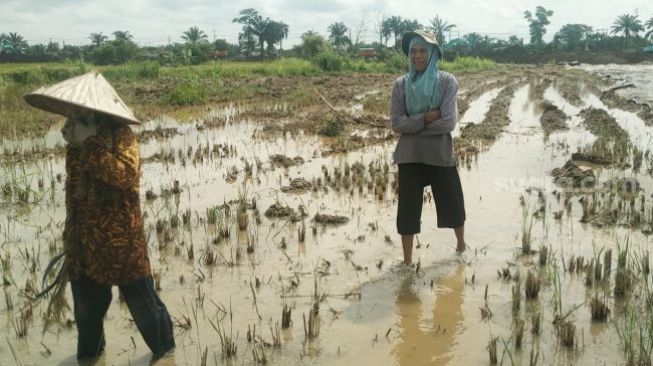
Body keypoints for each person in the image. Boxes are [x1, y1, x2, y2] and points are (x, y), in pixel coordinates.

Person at [25, 71, 175, 360]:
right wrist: (79, 142)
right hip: (83, 243)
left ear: (95, 108)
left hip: (121, 241)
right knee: (86, 312)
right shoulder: (74, 138)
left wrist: (89, 142)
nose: (73, 113)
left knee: (144, 307)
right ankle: (90, 357)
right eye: (71, 108)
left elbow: (125, 176)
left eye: (79, 108)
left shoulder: (121, 135)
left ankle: (166, 353)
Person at [390, 31, 466, 265]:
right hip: (410, 156)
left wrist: (412, 126)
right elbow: (396, 123)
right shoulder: (401, 85)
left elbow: (448, 122)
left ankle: (461, 247)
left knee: (453, 203)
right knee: (408, 211)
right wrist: (425, 119)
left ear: (433, 53)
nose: (417, 56)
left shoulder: (446, 81)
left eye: (423, 50)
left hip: (439, 154)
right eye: (413, 51)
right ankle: (407, 262)